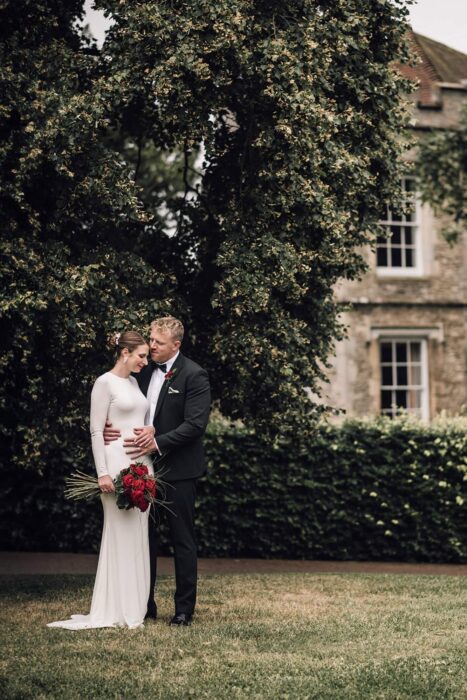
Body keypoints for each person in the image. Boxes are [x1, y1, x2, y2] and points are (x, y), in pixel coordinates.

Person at [103, 316, 211, 626]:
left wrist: (156, 443)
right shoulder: (144, 369)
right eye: (151, 340)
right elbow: (124, 403)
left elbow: (194, 426)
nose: (151, 346)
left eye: (158, 343)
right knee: (144, 539)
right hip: (142, 471)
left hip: (179, 471)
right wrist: (110, 427)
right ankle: (144, 604)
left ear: (176, 345)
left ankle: (183, 610)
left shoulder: (195, 375)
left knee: (182, 540)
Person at [48, 331, 153, 630]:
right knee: (118, 533)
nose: (145, 361)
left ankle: (134, 608)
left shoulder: (133, 382)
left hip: (142, 465)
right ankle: (115, 609)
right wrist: (103, 472)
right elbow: (97, 431)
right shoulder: (104, 383)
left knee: (137, 537)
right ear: (124, 353)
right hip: (117, 464)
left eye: (145, 356)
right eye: (141, 355)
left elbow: (140, 420)